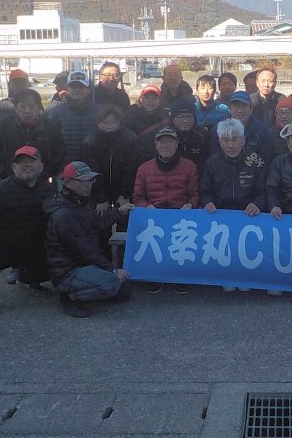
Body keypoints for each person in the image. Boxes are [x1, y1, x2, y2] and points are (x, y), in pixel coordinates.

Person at [0, 146, 56, 317]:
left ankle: (31, 279)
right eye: (21, 162)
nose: (26, 165)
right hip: (4, 245)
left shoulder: (49, 190)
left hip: (36, 246)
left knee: (61, 256)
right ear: (14, 167)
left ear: (41, 166)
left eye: (31, 161)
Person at [44, 161, 134, 317]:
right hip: (68, 271)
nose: (88, 185)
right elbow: (84, 250)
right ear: (68, 183)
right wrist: (112, 270)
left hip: (83, 265)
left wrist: (119, 212)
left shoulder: (79, 202)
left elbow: (96, 223)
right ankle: (70, 297)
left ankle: (91, 287)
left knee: (124, 291)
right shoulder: (64, 215)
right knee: (113, 283)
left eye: (91, 180)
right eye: (83, 181)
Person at [132, 125, 200, 294]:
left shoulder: (190, 166)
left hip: (180, 215)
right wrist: (147, 206)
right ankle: (154, 276)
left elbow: (195, 194)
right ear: (156, 145)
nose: (166, 146)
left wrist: (190, 205)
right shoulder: (144, 168)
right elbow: (138, 197)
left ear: (176, 144)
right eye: (162, 142)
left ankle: (180, 276)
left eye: (170, 142)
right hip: (154, 215)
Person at [0, 88, 65, 182]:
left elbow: (60, 152)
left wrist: (45, 173)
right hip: (6, 179)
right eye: (22, 106)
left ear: (39, 108)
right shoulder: (3, 124)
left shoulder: (50, 126)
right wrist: (3, 172)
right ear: (16, 109)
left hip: (40, 180)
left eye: (32, 106)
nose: (27, 111)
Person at [80, 104, 139, 217]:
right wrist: (100, 199)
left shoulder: (129, 139)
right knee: (99, 220)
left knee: (124, 220)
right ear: (98, 123)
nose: (109, 126)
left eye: (114, 122)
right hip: (99, 190)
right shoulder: (90, 141)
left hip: (122, 189)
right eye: (105, 122)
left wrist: (124, 195)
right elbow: (91, 171)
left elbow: (131, 169)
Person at [201, 118, 266, 215]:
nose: (230, 145)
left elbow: (263, 192)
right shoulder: (212, 163)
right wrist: (207, 202)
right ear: (219, 142)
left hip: (248, 214)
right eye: (225, 140)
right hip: (219, 214)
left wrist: (257, 204)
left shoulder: (256, 161)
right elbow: (205, 191)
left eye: (234, 140)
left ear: (243, 140)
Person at [46, 70, 100, 166]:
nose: (77, 90)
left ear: (88, 90)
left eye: (81, 87)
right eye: (73, 86)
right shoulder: (55, 112)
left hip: (93, 167)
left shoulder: (100, 111)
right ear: (68, 89)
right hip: (64, 167)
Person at [209, 91, 273, 168]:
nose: (239, 110)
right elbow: (213, 161)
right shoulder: (218, 130)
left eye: (244, 106)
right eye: (236, 106)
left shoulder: (262, 131)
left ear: (251, 109)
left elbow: (266, 162)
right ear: (230, 109)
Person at [0, 68, 30, 139]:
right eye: (15, 82)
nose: (19, 85)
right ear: (9, 85)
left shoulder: (35, 105)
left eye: (22, 82)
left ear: (28, 84)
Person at [169, 98, 210, 173]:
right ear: (173, 119)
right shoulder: (165, 135)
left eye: (189, 116)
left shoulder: (203, 135)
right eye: (180, 117)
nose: (185, 121)